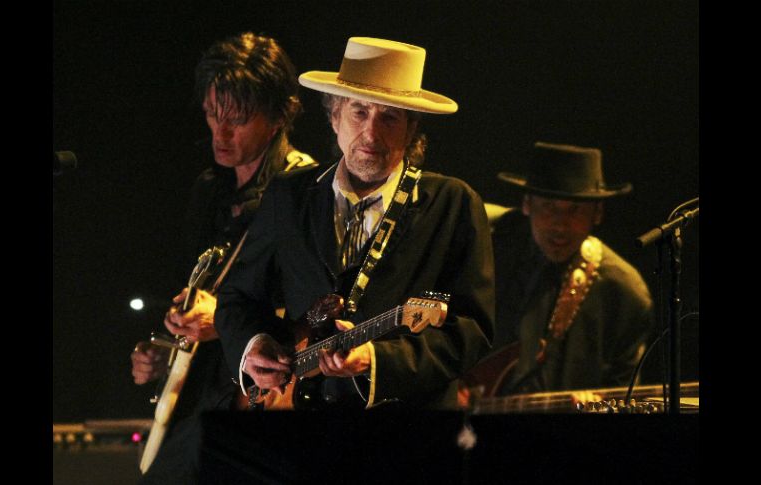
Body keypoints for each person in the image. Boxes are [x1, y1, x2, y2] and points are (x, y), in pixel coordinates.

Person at [214, 37, 494, 415]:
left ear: (411, 129)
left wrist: (377, 361)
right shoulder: (288, 195)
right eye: (359, 112)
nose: (372, 133)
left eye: (389, 117)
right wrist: (253, 345)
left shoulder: (453, 203)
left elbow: (471, 332)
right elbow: (238, 297)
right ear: (334, 117)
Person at [129, 32, 316, 483]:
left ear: (280, 115)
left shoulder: (304, 191)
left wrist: (229, 322)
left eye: (237, 119)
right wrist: (164, 348)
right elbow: (195, 292)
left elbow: (316, 311)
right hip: (197, 395)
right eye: (212, 115)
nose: (220, 133)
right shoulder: (209, 191)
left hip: (252, 402)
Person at [463, 142, 653, 407]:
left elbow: (622, 394)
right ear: (527, 204)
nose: (560, 224)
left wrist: (597, 408)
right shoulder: (490, 252)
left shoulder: (624, 293)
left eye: (575, 209)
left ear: (597, 213)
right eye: (548, 206)